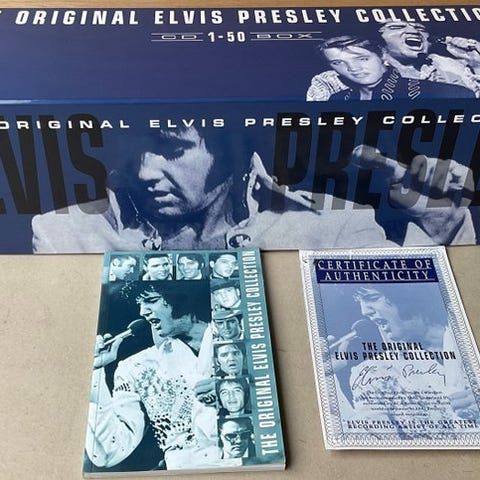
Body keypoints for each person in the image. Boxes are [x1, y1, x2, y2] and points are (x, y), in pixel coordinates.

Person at [31, 125, 475, 252]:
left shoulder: (334, 226)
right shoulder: (63, 234)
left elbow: (410, 331)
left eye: (171, 149)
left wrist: (441, 226)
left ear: (233, 150)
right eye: (132, 151)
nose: (145, 172)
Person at [85, 281, 220, 471]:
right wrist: (94, 373)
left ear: (182, 299)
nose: (142, 312)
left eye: (151, 300)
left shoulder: (242, 342)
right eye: (140, 303)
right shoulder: (136, 368)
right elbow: (110, 452)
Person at [332, 284, 479, 429]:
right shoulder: (373, 374)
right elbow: (368, 438)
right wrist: (326, 377)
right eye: (361, 302)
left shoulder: (472, 336)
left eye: (372, 297)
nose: (364, 311)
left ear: (407, 297)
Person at [307, 23, 480, 100]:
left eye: (362, 59)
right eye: (337, 63)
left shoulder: (453, 71)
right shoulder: (331, 87)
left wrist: (477, 66)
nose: (353, 68)